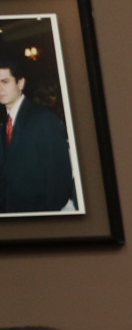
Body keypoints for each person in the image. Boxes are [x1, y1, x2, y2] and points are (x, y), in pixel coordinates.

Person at [0, 58, 77, 214]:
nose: (0, 88)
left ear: (20, 83)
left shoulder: (44, 119)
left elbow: (59, 182)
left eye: (5, 81)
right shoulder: (4, 124)